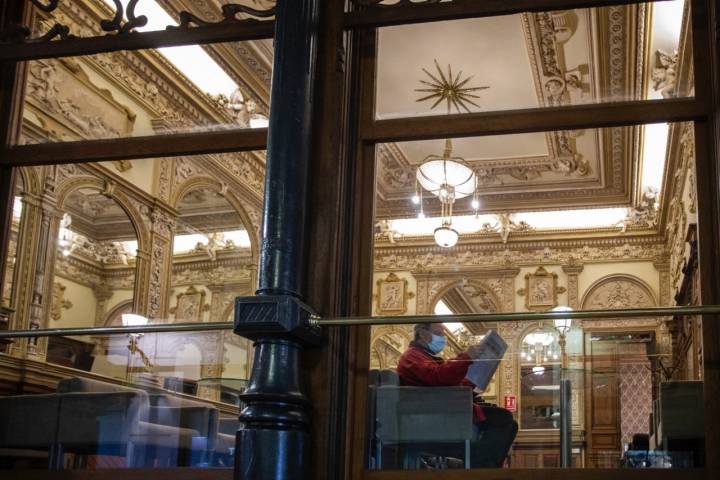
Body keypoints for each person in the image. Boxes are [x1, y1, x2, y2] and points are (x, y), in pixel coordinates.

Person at [397, 322, 518, 468]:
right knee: (503, 418)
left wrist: (476, 376)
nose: (442, 338)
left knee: (511, 425)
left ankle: (484, 465)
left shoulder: (423, 356)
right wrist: (466, 357)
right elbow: (438, 376)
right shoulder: (412, 356)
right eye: (438, 333)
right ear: (422, 333)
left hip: (445, 409)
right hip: (437, 413)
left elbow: (447, 382)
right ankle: (481, 466)